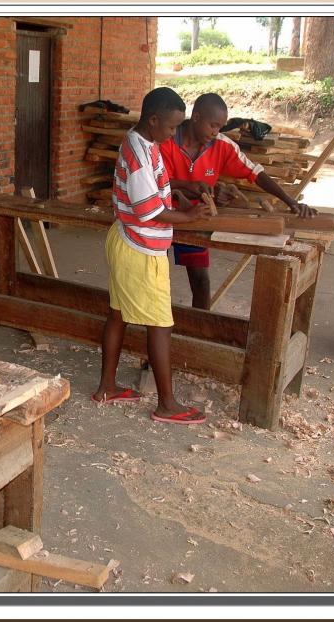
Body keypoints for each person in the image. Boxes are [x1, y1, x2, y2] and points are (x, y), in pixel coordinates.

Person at [91, 87, 211, 425]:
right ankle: (167, 405)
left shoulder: (143, 142)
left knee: (118, 314)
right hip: (140, 249)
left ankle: (106, 388)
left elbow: (155, 185)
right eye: (172, 127)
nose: (174, 133)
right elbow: (148, 211)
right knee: (160, 325)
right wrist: (189, 216)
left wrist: (182, 187)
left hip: (129, 241)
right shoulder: (139, 153)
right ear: (154, 120)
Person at [160, 92, 316, 309]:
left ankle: (203, 325)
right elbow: (154, 184)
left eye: (220, 127)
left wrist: (290, 201)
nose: (215, 132)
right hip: (160, 217)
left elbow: (255, 173)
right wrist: (188, 186)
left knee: (201, 280)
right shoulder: (165, 140)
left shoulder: (221, 145)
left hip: (194, 220)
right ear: (196, 117)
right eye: (212, 125)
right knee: (156, 278)